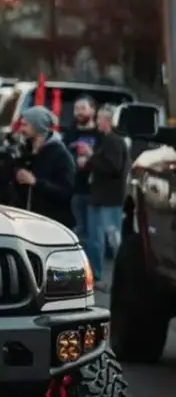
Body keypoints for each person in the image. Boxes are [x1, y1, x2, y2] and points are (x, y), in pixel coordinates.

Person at [0, 105, 75, 227]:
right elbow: (8, 180)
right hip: (25, 218)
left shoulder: (60, 155)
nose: (21, 129)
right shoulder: (24, 151)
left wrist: (35, 182)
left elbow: (66, 192)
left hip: (52, 222)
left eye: (25, 125)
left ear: (37, 126)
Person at [84, 104, 129, 284]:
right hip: (100, 197)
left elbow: (114, 167)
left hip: (109, 199)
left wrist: (91, 156)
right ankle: (96, 274)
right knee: (96, 238)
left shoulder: (114, 141)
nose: (96, 123)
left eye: (98, 119)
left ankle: (120, 276)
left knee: (111, 239)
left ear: (107, 121)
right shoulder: (107, 140)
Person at [61, 95, 98, 247]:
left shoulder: (100, 135)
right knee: (77, 231)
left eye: (83, 108)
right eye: (76, 109)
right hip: (74, 189)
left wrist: (91, 156)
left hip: (95, 191)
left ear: (93, 110)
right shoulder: (68, 134)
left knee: (95, 233)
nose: (79, 112)